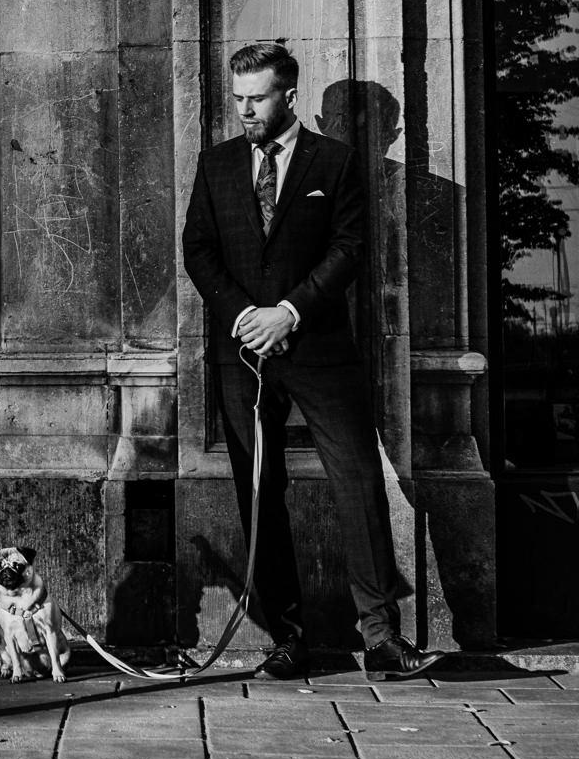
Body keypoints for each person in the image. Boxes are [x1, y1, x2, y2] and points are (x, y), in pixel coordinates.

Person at [180, 41, 442, 684]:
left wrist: (289, 313)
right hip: (243, 352)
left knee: (358, 481)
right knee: (260, 490)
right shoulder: (215, 164)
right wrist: (247, 316)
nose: (245, 110)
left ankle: (383, 637)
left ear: (290, 96)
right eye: (238, 99)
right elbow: (198, 249)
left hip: (320, 350)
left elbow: (349, 249)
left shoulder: (336, 161)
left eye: (258, 98)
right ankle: (287, 639)